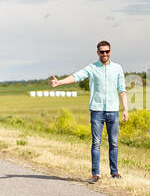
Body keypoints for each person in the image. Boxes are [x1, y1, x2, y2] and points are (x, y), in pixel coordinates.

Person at [50, 40, 128, 183]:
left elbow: (122, 89)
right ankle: (95, 174)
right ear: (98, 52)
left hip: (113, 111)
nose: (105, 54)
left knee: (114, 142)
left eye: (107, 51)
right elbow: (76, 76)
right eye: (102, 51)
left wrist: (125, 109)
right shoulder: (92, 68)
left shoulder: (117, 68)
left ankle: (114, 172)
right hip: (97, 110)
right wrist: (59, 82)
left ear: (110, 52)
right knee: (96, 143)